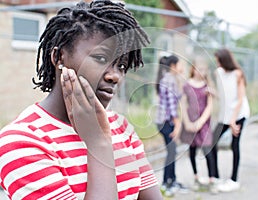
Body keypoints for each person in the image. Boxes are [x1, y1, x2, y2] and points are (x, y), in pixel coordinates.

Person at [0, 1, 163, 200]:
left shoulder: (121, 128)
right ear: (59, 57)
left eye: (121, 66)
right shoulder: (22, 142)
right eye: (101, 59)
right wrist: (98, 143)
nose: (115, 76)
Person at [208, 48, 250, 193]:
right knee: (212, 143)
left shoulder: (238, 74)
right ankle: (217, 177)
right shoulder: (218, 73)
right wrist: (213, 93)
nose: (216, 62)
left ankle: (234, 180)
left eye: (218, 60)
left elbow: (239, 99)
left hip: (239, 114)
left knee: (235, 145)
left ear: (224, 59)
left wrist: (233, 121)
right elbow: (224, 95)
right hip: (225, 116)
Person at [180, 57, 218, 192]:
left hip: (203, 124)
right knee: (192, 150)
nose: (200, 72)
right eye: (198, 69)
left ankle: (212, 180)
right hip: (190, 123)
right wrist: (188, 123)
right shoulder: (186, 85)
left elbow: (209, 107)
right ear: (193, 69)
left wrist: (200, 123)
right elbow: (183, 105)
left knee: (208, 150)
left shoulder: (207, 86)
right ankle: (196, 178)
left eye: (203, 69)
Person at [155, 55, 187, 197]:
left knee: (172, 151)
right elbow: (172, 106)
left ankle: (171, 180)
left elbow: (175, 98)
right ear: (173, 65)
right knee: (172, 151)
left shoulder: (169, 78)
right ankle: (166, 183)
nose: (183, 67)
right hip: (167, 122)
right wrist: (177, 123)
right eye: (181, 64)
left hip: (164, 121)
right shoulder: (169, 80)